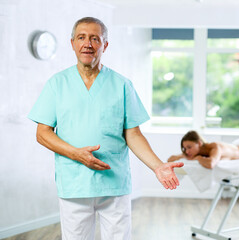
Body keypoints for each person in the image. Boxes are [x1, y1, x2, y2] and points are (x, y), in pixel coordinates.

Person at [28, 17, 183, 240]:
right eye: (81, 37)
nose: (87, 44)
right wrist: (77, 155)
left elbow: (133, 134)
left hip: (114, 183)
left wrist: (157, 166)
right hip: (75, 183)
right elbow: (42, 133)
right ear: (72, 43)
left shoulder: (122, 85)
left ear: (105, 45)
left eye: (95, 38)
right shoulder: (57, 84)